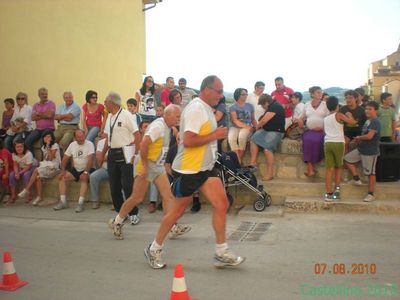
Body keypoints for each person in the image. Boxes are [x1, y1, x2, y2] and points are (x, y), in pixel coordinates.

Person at [144, 75, 245, 269]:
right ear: (207, 90)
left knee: (221, 203)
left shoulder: (205, 107)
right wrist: (215, 135)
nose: (221, 95)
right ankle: (154, 248)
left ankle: (221, 251)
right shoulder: (196, 109)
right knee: (177, 211)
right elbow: (189, 140)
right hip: (190, 169)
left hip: (205, 167)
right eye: (219, 91)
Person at [109, 104, 191, 240]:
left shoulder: (167, 125)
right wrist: (145, 166)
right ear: (167, 114)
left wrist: (177, 133)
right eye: (177, 116)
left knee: (168, 196)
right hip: (146, 163)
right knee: (137, 198)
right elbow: (143, 144)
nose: (179, 118)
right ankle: (117, 221)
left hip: (157, 165)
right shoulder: (158, 126)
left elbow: (171, 132)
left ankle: (172, 226)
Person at [104, 92, 141, 224]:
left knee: (127, 185)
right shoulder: (109, 116)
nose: (104, 104)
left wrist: (135, 154)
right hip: (112, 153)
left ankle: (134, 212)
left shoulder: (126, 115)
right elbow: (107, 137)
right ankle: (121, 212)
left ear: (112, 103)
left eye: (106, 101)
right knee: (114, 186)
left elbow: (137, 135)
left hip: (127, 152)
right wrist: (102, 153)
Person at [344, 101, 381, 202]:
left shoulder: (375, 122)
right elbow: (366, 133)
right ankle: (356, 178)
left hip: (370, 152)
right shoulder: (368, 121)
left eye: (370, 109)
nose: (367, 111)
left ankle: (371, 194)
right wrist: (359, 139)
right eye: (366, 109)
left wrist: (359, 137)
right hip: (361, 149)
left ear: (376, 110)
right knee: (347, 159)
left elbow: (369, 136)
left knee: (370, 173)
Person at [323, 96, 356, 202]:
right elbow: (352, 123)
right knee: (338, 167)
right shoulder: (339, 115)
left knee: (329, 169)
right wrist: (349, 115)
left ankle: (328, 193)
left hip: (328, 143)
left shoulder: (325, 118)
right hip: (338, 143)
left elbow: (324, 131)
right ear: (337, 106)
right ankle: (336, 191)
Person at [53, 129, 95, 212]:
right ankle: (63, 202)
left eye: (82, 136)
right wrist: (62, 171)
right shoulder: (72, 145)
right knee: (62, 177)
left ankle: (80, 203)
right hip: (76, 169)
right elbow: (65, 159)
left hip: (88, 168)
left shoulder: (89, 144)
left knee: (84, 178)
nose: (81, 138)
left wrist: (86, 172)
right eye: (79, 137)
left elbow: (90, 160)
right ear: (75, 138)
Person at [17, 130, 61, 206]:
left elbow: (51, 158)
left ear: (52, 138)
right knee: (38, 177)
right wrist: (46, 148)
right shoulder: (43, 147)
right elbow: (46, 159)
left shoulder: (55, 145)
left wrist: (48, 145)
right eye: (45, 136)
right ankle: (39, 197)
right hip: (47, 167)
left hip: (54, 168)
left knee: (36, 170)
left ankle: (26, 189)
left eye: (49, 136)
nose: (47, 138)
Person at [250, 94, 285, 180]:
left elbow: (264, 121)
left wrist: (256, 127)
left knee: (267, 149)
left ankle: (269, 174)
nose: (262, 107)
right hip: (266, 130)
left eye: (262, 105)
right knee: (253, 139)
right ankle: (253, 162)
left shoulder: (275, 106)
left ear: (266, 102)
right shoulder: (271, 106)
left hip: (276, 131)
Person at [299, 86, 329, 177]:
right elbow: (301, 117)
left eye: (321, 92)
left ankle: (311, 169)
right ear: (312, 94)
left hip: (322, 131)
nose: (320, 94)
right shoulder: (307, 104)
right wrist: (300, 122)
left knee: (316, 141)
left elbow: (329, 118)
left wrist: (322, 128)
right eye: (318, 92)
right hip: (309, 131)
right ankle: (311, 168)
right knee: (306, 141)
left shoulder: (325, 104)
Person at [228, 88, 256, 165]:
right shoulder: (233, 107)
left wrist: (256, 127)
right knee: (231, 139)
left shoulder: (250, 106)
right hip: (235, 126)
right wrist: (247, 127)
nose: (246, 96)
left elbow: (253, 119)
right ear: (238, 95)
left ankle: (237, 161)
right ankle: (238, 160)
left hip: (247, 125)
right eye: (243, 94)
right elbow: (235, 120)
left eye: (246, 94)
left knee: (242, 137)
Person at [24, 88, 56, 153]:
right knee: (27, 141)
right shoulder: (35, 105)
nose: (45, 95)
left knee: (43, 142)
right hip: (38, 129)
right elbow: (33, 118)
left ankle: (43, 161)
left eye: (46, 94)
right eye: (42, 94)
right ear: (39, 95)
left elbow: (50, 115)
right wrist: (45, 114)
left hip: (49, 129)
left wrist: (38, 114)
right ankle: (33, 160)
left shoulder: (51, 104)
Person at [8, 139, 38, 203]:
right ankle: (13, 195)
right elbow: (15, 165)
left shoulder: (28, 154)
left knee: (26, 175)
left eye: (21, 146)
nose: (19, 148)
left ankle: (29, 195)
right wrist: (16, 173)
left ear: (24, 147)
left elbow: (29, 166)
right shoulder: (14, 154)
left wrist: (20, 173)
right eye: (17, 147)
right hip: (21, 167)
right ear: (15, 147)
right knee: (11, 175)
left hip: (32, 167)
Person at [89, 137, 108, 209]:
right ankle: (95, 200)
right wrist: (107, 157)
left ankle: (118, 201)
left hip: (117, 169)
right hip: (105, 169)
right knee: (93, 176)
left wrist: (105, 157)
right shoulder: (101, 142)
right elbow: (99, 157)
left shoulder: (119, 140)